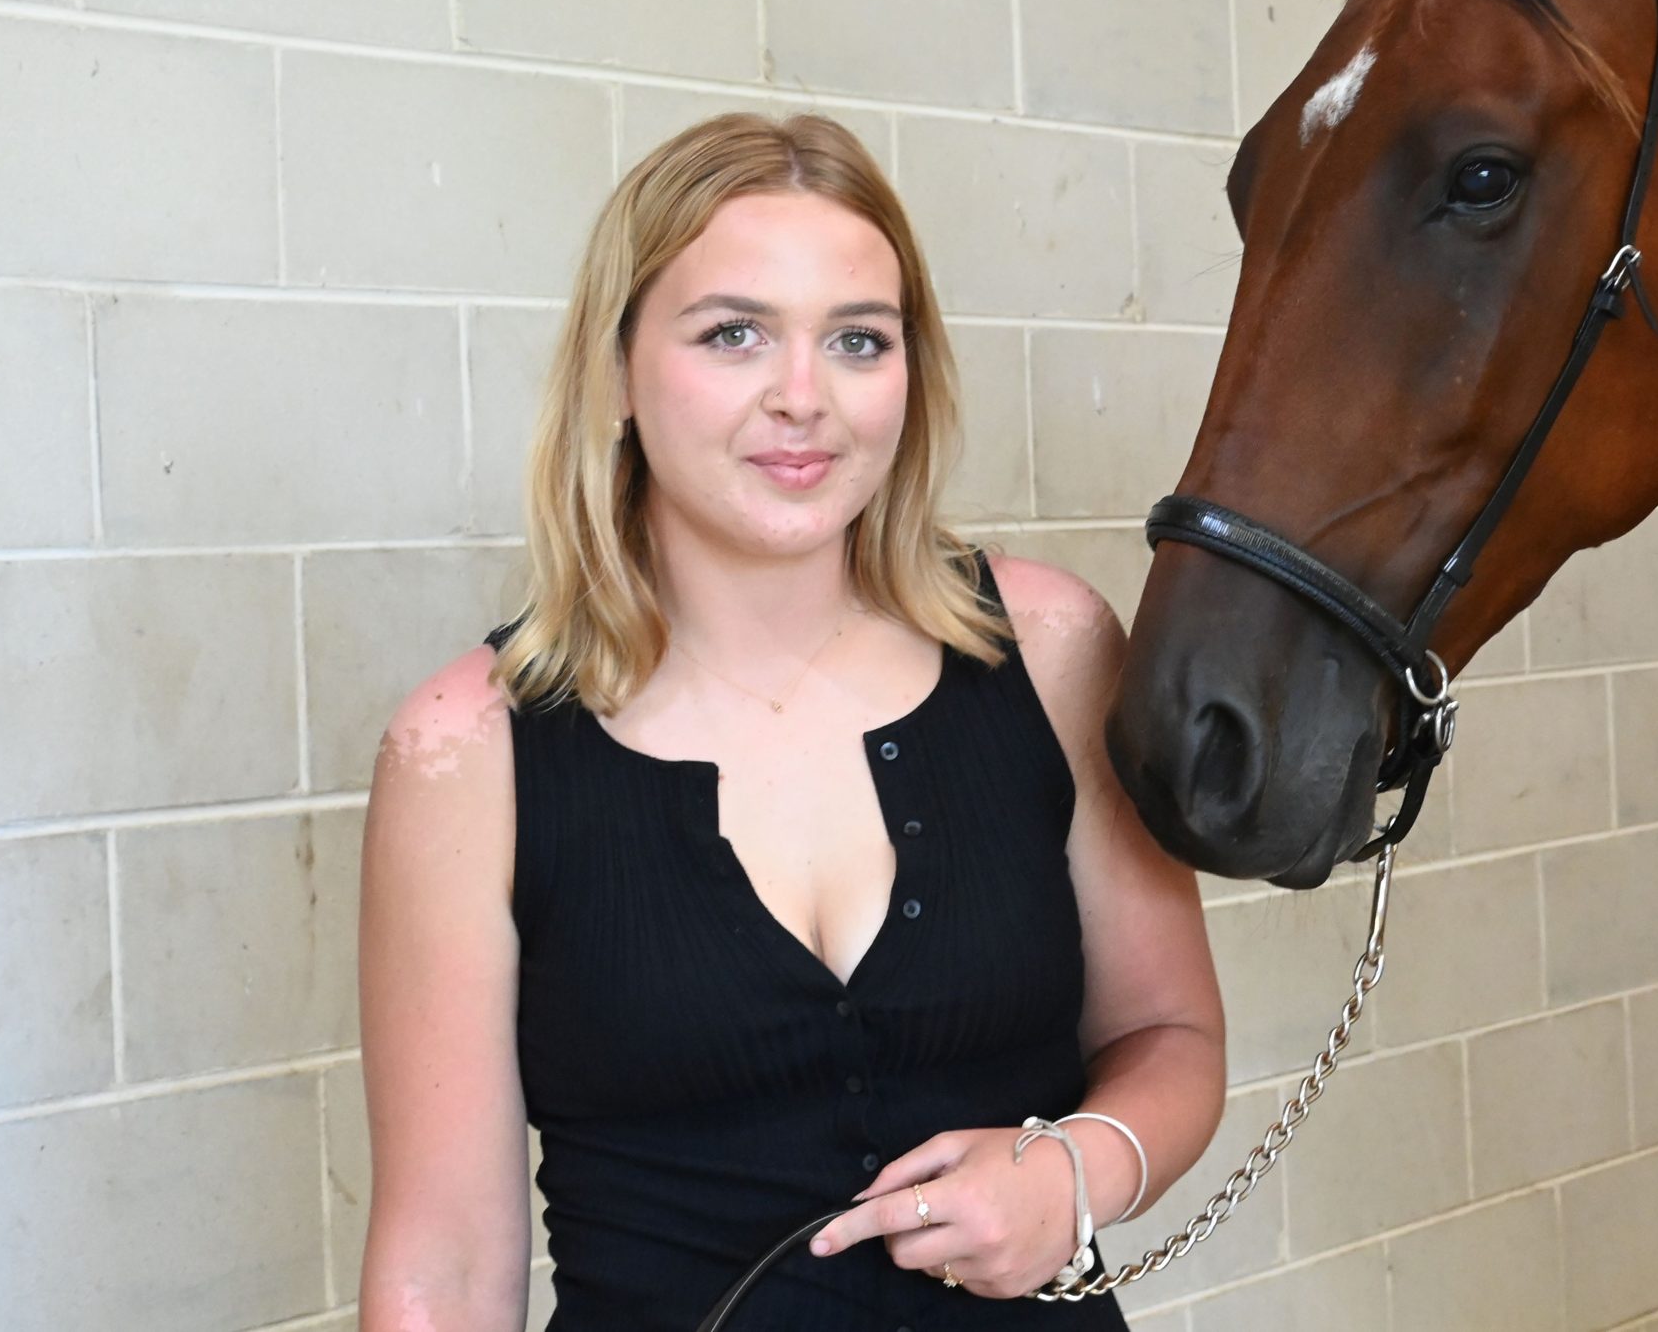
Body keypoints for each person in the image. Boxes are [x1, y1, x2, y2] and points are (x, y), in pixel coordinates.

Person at [355, 112, 1227, 1330]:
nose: (803, 399)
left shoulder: (1050, 650)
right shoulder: (467, 750)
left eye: (858, 341)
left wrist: (1081, 1168)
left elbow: (1170, 1035)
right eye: (734, 335)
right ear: (614, 371)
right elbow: (441, 1266)